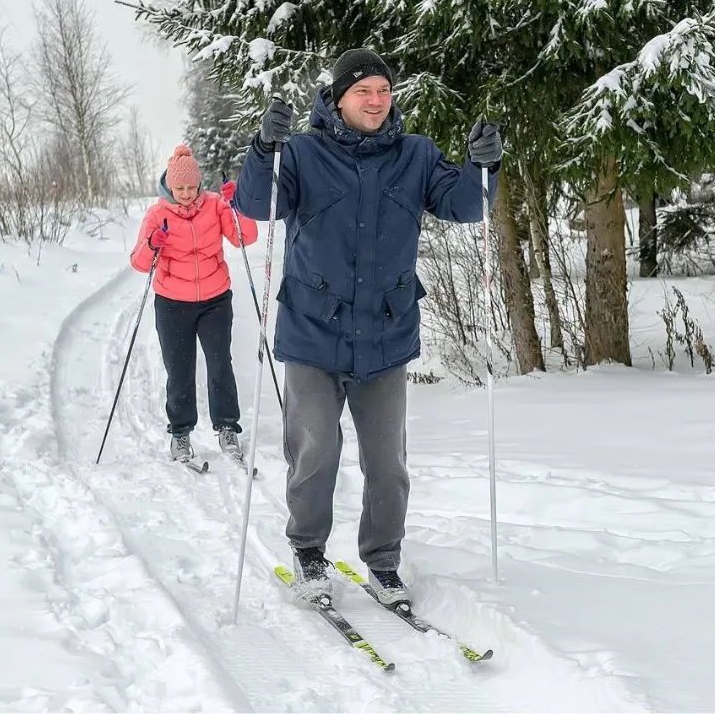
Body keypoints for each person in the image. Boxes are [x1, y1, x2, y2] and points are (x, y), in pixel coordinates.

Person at [234, 48, 502, 604]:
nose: (376, 100)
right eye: (363, 91)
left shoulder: (417, 155)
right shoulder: (302, 153)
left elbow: (466, 207)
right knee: (315, 452)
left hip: (386, 332)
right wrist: (265, 150)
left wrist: (483, 167)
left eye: (383, 89)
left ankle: (384, 559)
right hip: (313, 331)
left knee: (387, 462)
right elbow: (257, 205)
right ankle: (308, 552)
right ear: (338, 97)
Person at [130, 145, 259, 464]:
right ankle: (180, 433)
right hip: (172, 303)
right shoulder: (157, 214)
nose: (186, 194)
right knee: (179, 370)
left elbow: (246, 238)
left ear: (200, 184)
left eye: (191, 187)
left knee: (219, 365)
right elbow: (139, 263)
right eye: (180, 188)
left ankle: (227, 427)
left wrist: (236, 204)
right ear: (169, 186)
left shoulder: (215, 205)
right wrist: (152, 245)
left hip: (215, 300)